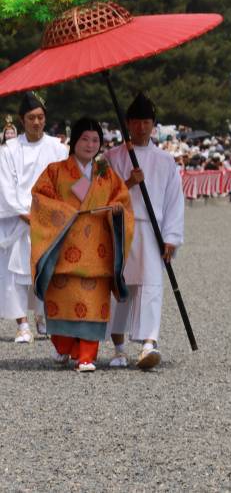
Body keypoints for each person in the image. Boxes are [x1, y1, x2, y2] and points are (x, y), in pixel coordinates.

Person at [30, 118, 134, 372]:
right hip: (63, 250)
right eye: (85, 139)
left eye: (95, 140)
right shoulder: (55, 171)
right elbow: (40, 198)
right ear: (74, 141)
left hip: (96, 252)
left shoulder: (105, 173)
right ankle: (66, 347)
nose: (90, 145)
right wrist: (64, 212)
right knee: (61, 305)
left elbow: (121, 200)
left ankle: (87, 356)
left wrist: (117, 211)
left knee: (92, 305)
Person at [106, 94, 184, 370]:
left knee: (150, 285)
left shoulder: (165, 160)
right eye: (137, 122)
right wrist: (128, 182)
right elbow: (102, 197)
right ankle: (117, 346)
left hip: (152, 230)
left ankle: (149, 343)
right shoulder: (112, 157)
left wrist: (172, 238)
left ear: (154, 125)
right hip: (121, 229)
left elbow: (175, 200)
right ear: (127, 123)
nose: (142, 127)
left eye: (147, 122)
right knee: (120, 286)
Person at [0, 93, 68, 342]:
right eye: (31, 118)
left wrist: (50, 212)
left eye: (40, 117)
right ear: (22, 120)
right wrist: (24, 213)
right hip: (20, 218)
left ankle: (42, 317)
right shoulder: (9, 150)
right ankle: (22, 324)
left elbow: (65, 182)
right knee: (16, 274)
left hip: (49, 218)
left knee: (45, 270)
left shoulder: (58, 148)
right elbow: (5, 185)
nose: (36, 122)